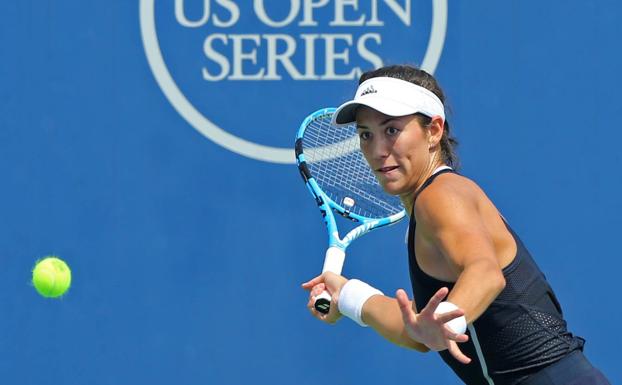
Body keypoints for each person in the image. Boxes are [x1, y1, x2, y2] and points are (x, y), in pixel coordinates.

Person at [301, 64, 610, 385]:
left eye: (391, 130)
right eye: (366, 135)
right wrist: (348, 296)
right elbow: (420, 332)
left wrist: (450, 319)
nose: (377, 150)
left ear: (434, 131)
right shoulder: (434, 203)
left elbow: (486, 273)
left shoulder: (441, 196)